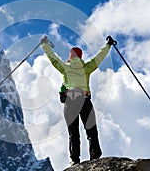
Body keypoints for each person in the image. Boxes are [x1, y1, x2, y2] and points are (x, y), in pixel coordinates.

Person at [41, 35, 115, 165]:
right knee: (91, 131)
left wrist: (44, 45)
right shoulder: (86, 68)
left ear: (70, 57)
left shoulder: (65, 68)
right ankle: (95, 157)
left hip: (70, 101)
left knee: (73, 133)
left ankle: (74, 160)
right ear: (80, 57)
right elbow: (99, 57)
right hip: (84, 99)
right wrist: (108, 45)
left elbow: (53, 59)